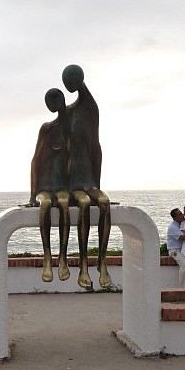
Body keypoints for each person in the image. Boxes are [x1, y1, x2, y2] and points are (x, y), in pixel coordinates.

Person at [62, 64, 112, 289]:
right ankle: (83, 265)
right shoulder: (68, 113)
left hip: (89, 179)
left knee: (104, 202)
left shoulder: (91, 109)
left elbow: (95, 147)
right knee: (83, 204)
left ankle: (102, 261)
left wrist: (97, 184)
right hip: (72, 183)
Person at [29, 88, 71, 283]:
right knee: (45, 205)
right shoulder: (46, 128)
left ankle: (62, 257)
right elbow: (35, 160)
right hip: (45, 187)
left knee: (64, 204)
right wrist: (32, 194)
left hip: (62, 187)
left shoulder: (71, 128)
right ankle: (47, 257)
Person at [166, 208, 185, 288]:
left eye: (182, 213)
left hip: (182, 250)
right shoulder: (172, 227)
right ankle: (183, 288)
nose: (182, 215)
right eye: (180, 214)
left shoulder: (182, 225)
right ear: (174, 218)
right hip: (175, 251)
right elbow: (183, 237)